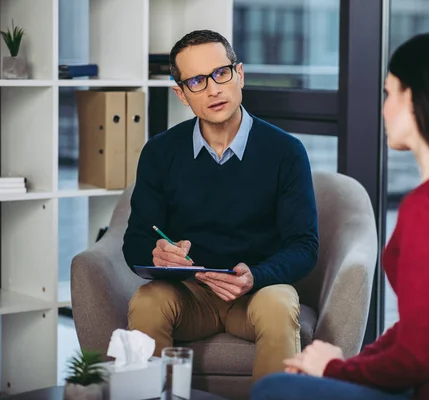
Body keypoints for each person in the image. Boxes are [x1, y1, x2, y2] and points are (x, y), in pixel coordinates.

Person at [250, 31, 429, 400]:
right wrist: (347, 364)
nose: (383, 107)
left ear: (415, 100)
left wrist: (332, 368)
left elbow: (415, 359)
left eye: (389, 92)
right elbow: (421, 331)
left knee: (275, 389)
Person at [122, 29, 319, 382]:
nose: (213, 88)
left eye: (221, 73)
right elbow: (135, 240)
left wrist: (255, 276)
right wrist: (157, 254)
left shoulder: (286, 152)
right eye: (196, 81)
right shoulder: (159, 152)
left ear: (239, 74)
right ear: (181, 94)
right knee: (147, 302)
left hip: (256, 290)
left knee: (279, 306)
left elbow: (304, 246)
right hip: (189, 293)